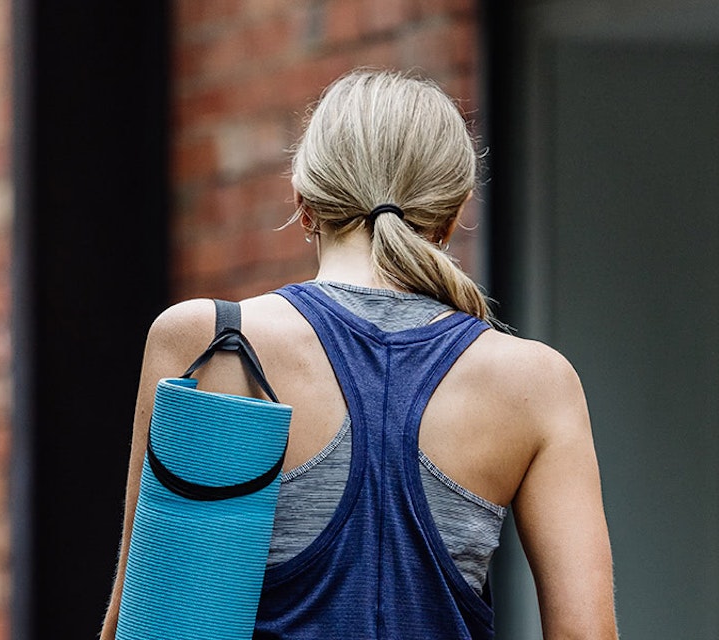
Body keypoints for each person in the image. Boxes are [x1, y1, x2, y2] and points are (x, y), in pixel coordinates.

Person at [101, 69, 616, 639]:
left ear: (303, 202)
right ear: (454, 213)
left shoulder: (215, 342)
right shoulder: (536, 383)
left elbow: (154, 620)